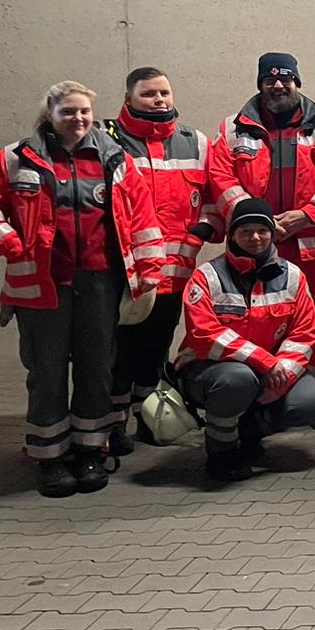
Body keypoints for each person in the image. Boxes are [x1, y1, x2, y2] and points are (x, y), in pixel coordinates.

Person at [0, 81, 164, 497]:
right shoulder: (16, 158)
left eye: (84, 112)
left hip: (100, 283)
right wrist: (8, 241)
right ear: (50, 114)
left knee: (96, 369)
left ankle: (90, 451)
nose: (78, 119)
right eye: (68, 112)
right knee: (47, 372)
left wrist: (150, 267)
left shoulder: (115, 159)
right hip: (41, 286)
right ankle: (49, 457)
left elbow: (140, 215)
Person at [209, 53, 315, 411]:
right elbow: (221, 178)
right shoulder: (232, 129)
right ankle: (255, 392)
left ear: (297, 83)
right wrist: (256, 223)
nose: (277, 85)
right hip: (254, 245)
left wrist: (306, 215)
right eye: (269, 80)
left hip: (308, 245)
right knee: (253, 318)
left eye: (285, 79)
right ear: (259, 84)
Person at [102, 66, 219, 453]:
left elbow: (216, 199)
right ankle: (112, 425)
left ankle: (150, 417)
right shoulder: (107, 143)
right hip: (124, 277)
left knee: (155, 350)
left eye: (164, 93)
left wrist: (200, 232)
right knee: (117, 352)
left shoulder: (196, 143)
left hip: (174, 276)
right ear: (128, 99)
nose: (159, 100)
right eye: (149, 94)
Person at [176, 198, 315, 482]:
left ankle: (248, 434)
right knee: (238, 379)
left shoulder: (292, 276)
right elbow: (205, 334)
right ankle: (221, 452)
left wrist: (282, 375)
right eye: (245, 231)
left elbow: (303, 334)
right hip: (211, 371)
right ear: (231, 235)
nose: (255, 238)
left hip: (268, 371)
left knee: (309, 401)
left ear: (273, 233)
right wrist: (265, 363)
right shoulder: (207, 276)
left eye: (262, 230)